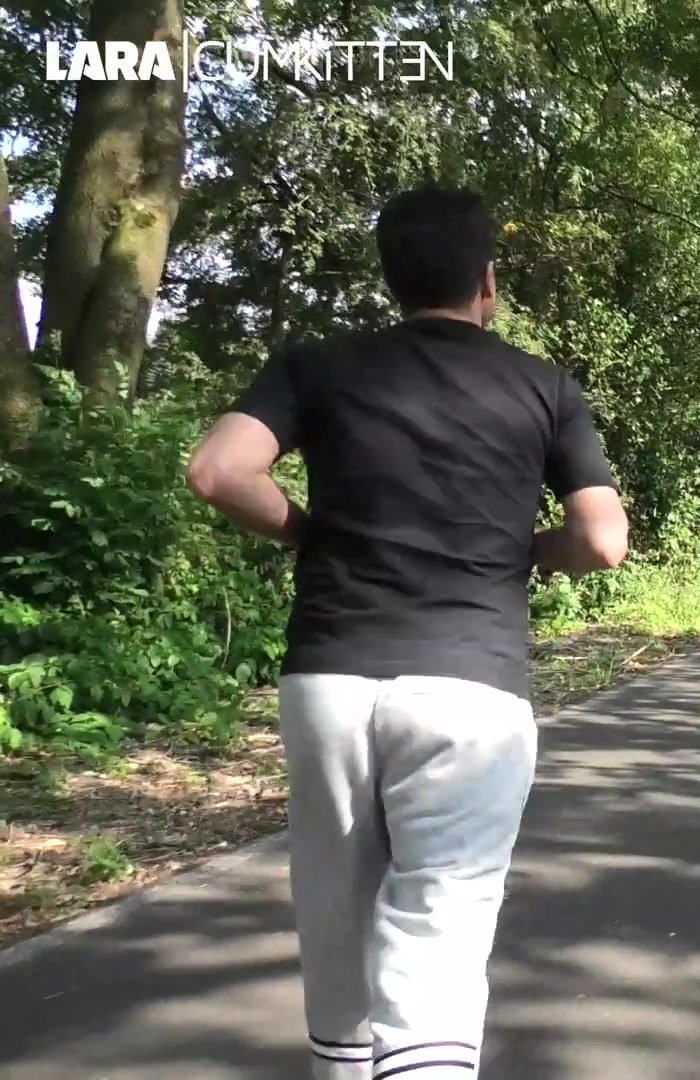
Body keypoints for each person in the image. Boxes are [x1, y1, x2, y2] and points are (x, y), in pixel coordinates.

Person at [185, 186, 629, 1080]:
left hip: (330, 679)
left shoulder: (317, 365)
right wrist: (524, 550)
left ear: (390, 278)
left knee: (336, 915)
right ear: (487, 280)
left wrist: (306, 532)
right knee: (437, 937)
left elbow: (219, 470)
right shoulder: (544, 387)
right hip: (471, 687)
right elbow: (601, 540)